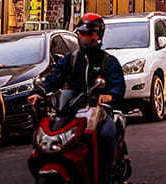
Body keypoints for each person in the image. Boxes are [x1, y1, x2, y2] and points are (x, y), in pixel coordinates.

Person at [28, 13, 124, 184]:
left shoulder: (108, 62)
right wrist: (39, 92)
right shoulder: (70, 60)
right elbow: (54, 77)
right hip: (70, 112)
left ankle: (106, 177)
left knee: (107, 134)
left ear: (99, 35)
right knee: (40, 134)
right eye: (81, 33)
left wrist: (110, 95)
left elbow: (118, 85)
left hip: (98, 112)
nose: (84, 38)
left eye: (89, 34)